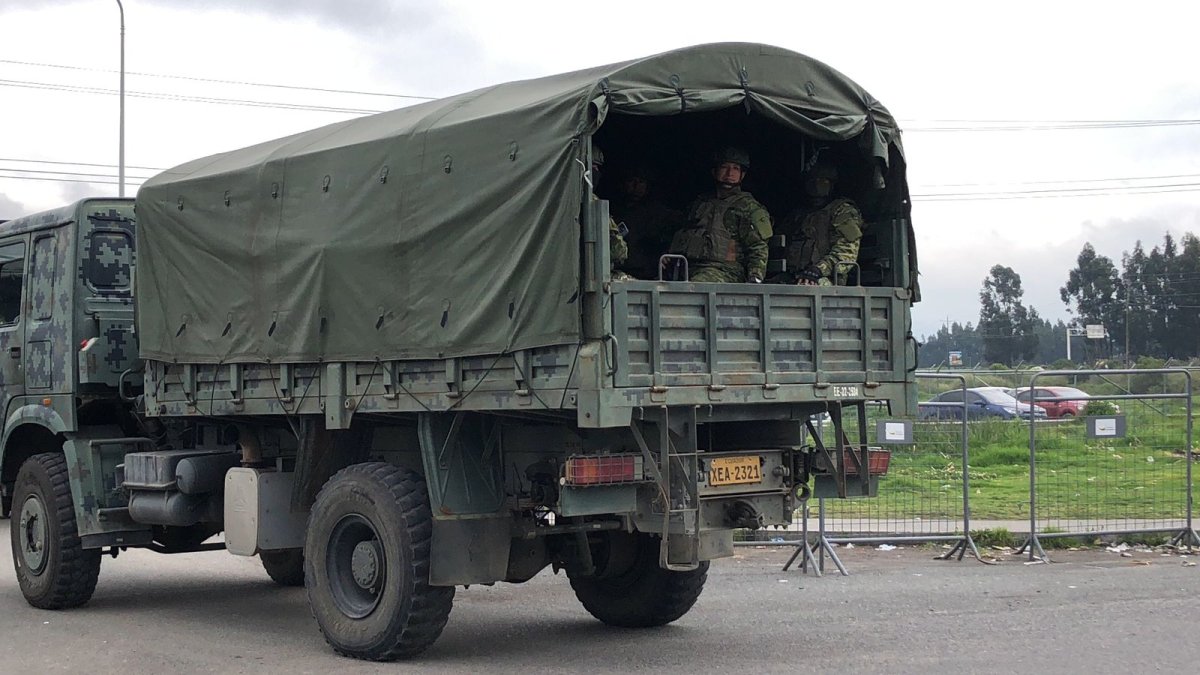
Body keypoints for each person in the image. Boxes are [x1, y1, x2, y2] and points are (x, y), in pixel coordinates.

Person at [668, 146, 772, 283]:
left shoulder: (748, 207)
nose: (730, 173)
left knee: (696, 284)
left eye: (736, 168)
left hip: (725, 271)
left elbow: (758, 247)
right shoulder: (700, 203)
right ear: (714, 171)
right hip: (688, 267)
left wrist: (755, 277)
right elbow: (684, 234)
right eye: (724, 167)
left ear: (743, 174)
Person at [778, 160, 864, 286]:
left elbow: (846, 253)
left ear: (832, 184)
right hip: (797, 276)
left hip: (829, 279)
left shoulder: (843, 211)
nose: (817, 186)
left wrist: (819, 269)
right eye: (812, 182)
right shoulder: (800, 215)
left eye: (823, 181)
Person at [610, 164, 680, 279]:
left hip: (650, 274)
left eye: (641, 182)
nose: (636, 186)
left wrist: (665, 252)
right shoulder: (612, 211)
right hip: (618, 273)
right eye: (631, 181)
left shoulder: (660, 214)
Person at [590, 146, 629, 276]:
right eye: (593, 166)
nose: (596, 171)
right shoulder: (591, 201)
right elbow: (619, 252)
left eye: (598, 167)